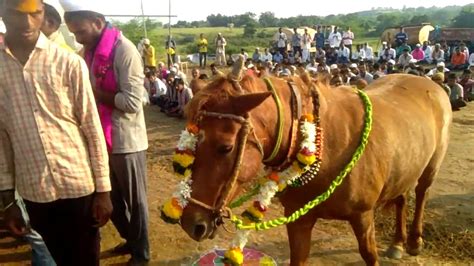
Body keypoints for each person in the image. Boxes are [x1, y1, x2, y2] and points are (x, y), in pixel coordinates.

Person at [1, 0, 112, 265]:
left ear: (43, 15)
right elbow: (1, 138)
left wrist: (104, 191)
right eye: (18, 15)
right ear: (3, 13)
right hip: (34, 191)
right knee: (59, 258)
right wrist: (7, 200)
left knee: (86, 259)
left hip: (79, 185)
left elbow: (91, 127)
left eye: (34, 14)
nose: (27, 23)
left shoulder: (68, 62)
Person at [61, 1, 150, 265]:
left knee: (136, 203)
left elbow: (133, 103)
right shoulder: (87, 52)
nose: (78, 38)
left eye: (81, 32)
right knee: (112, 198)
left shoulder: (124, 50)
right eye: (74, 33)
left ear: (98, 23)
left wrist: (93, 94)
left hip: (127, 141)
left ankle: (142, 254)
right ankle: (131, 240)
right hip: (100, 139)